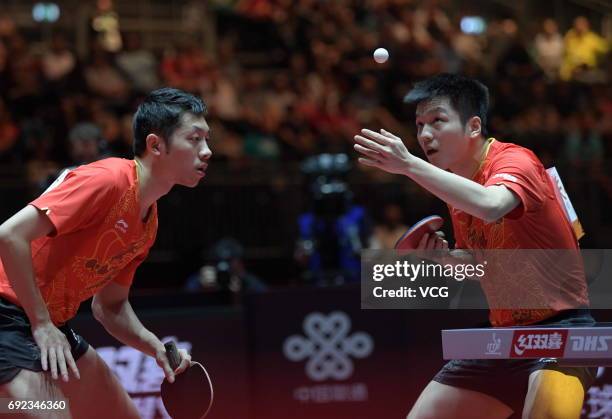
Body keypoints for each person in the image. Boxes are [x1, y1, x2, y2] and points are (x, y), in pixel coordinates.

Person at [353, 73, 593, 419]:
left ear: (473, 126)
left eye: (437, 121)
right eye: (419, 125)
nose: (424, 135)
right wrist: (444, 258)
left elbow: (491, 204)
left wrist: (407, 165)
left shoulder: (515, 162)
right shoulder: (458, 187)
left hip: (561, 333)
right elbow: (479, 266)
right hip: (503, 340)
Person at [0, 87, 212, 418]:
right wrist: (41, 324)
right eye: (195, 139)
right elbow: (9, 235)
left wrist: (155, 347)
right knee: (47, 411)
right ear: (156, 145)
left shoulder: (147, 223)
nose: (207, 151)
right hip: (8, 315)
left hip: (49, 323)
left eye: (207, 140)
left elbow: (110, 306)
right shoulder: (108, 180)